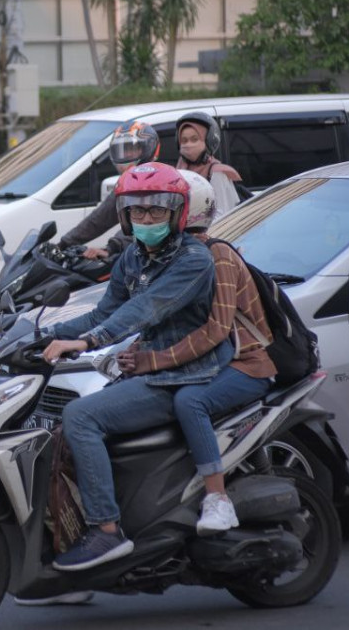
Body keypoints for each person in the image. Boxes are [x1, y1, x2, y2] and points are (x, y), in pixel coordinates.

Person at [41, 162, 234, 572]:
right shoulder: (132, 256)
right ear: (125, 216)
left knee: (80, 417)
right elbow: (101, 313)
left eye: (157, 211)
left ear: (177, 213)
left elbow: (143, 310)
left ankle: (107, 531)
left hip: (184, 374)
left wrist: (87, 343)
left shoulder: (193, 259)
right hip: (148, 371)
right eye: (137, 212)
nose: (146, 219)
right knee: (57, 424)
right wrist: (38, 332)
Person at [116, 170, 275, 535]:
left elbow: (216, 331)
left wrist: (151, 361)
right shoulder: (167, 257)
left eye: (158, 210)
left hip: (244, 364)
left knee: (189, 402)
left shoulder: (213, 257)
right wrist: (137, 349)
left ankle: (218, 500)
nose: (148, 219)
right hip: (205, 363)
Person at [59, 120, 162, 260]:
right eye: (121, 151)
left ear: (148, 149)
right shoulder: (127, 184)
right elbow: (99, 219)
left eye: (131, 150)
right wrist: (64, 243)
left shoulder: (159, 182)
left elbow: (144, 225)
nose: (125, 156)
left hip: (161, 257)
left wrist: (112, 247)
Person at [175, 111, 243, 222]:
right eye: (184, 140)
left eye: (194, 139)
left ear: (208, 141)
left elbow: (222, 215)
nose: (188, 145)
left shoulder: (217, 173)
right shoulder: (180, 171)